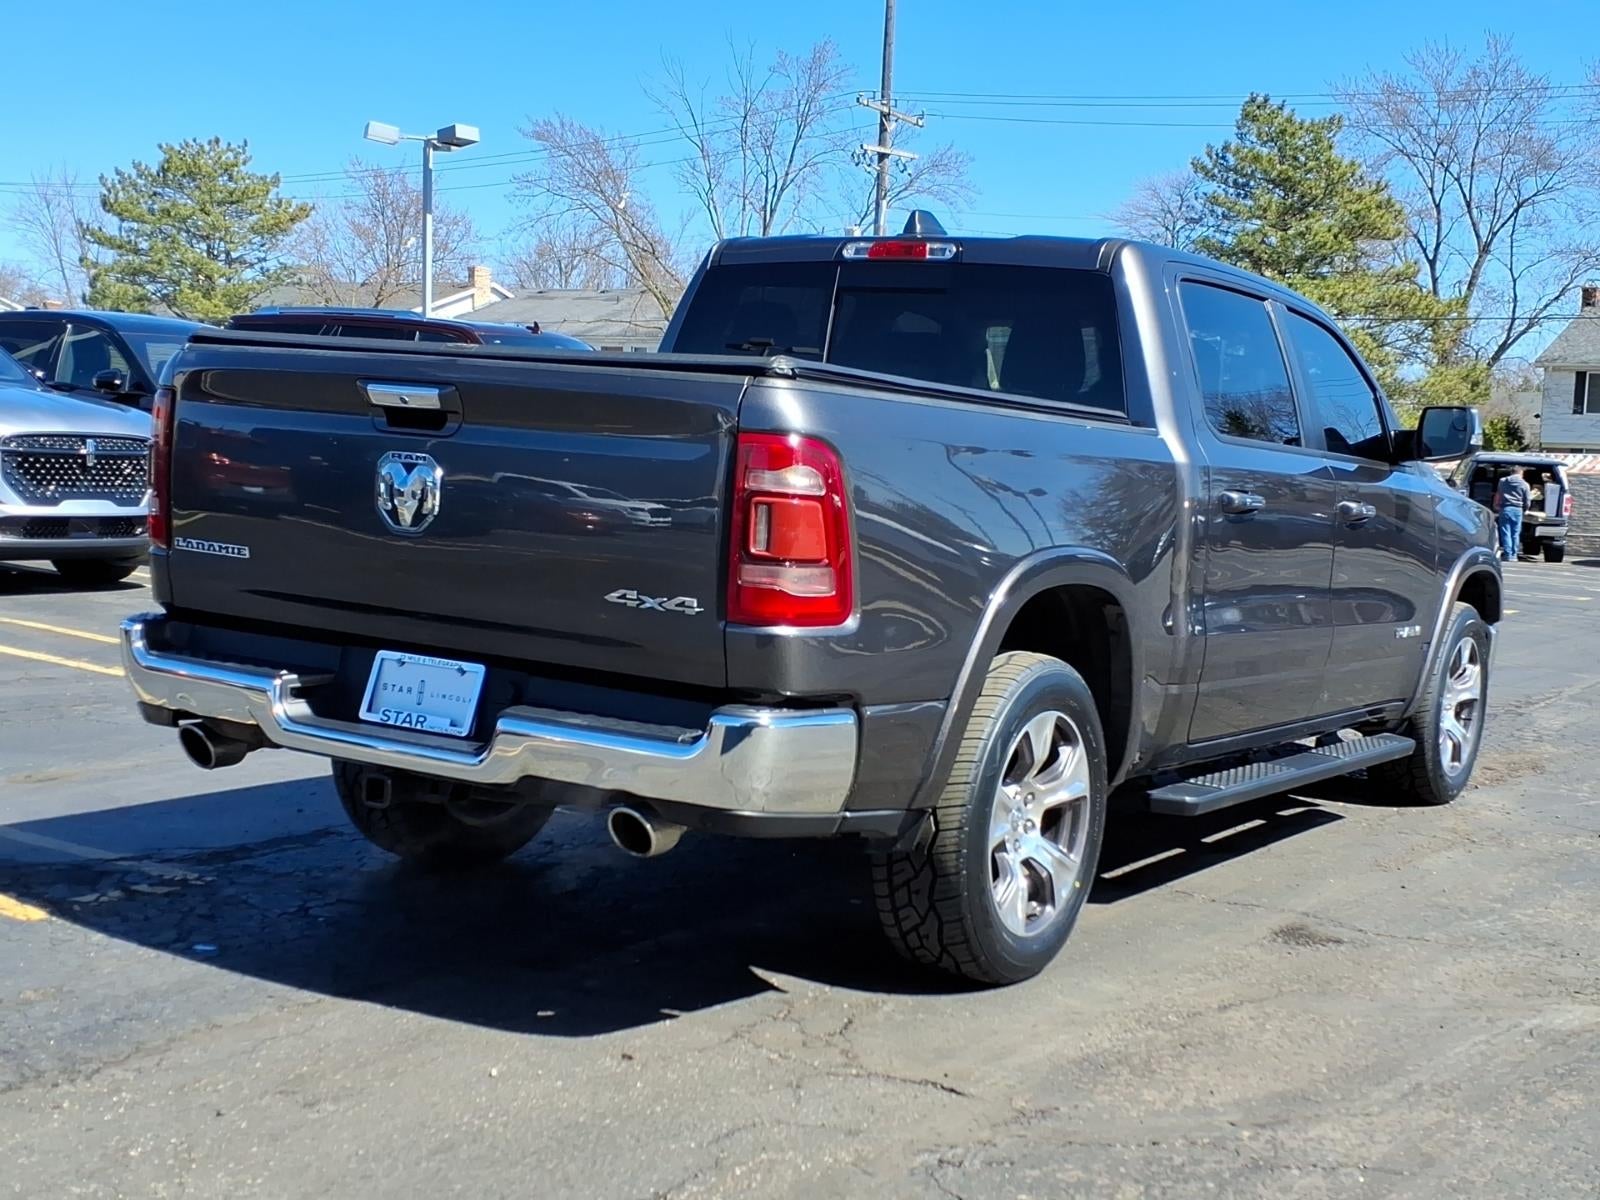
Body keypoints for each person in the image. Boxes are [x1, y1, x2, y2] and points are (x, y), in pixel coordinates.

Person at [1493, 468, 1531, 561]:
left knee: (1506, 532)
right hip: (1518, 509)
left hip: (1505, 508)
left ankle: (1508, 554)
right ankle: (1514, 555)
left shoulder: (1502, 481)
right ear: (1521, 473)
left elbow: (1499, 493)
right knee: (1515, 533)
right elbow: (1527, 500)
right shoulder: (1525, 484)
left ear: (1511, 472)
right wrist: (1525, 509)